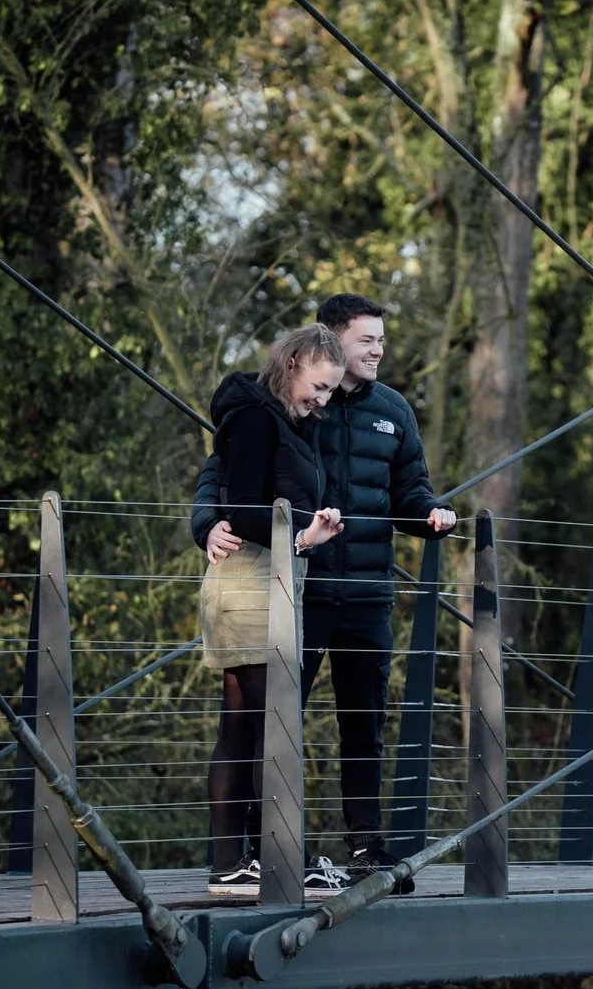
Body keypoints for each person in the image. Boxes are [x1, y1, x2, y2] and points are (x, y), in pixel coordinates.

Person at [194, 294, 456, 887]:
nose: (378, 350)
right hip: (295, 592)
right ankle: (265, 852)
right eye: (366, 339)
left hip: (365, 593)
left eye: (381, 340)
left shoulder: (393, 411)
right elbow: (225, 475)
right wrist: (205, 524)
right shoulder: (291, 407)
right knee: (274, 723)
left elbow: (411, 488)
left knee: (364, 723)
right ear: (329, 343)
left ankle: (365, 848)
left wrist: (432, 515)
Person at [199, 323, 352, 899]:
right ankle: (266, 854)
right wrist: (304, 534)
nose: (323, 400)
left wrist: (308, 532)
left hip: (276, 578)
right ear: (291, 365)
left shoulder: (290, 420)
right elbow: (240, 507)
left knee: (245, 724)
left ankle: (238, 862)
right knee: (264, 724)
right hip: (249, 580)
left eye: (332, 390)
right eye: (318, 386)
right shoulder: (256, 418)